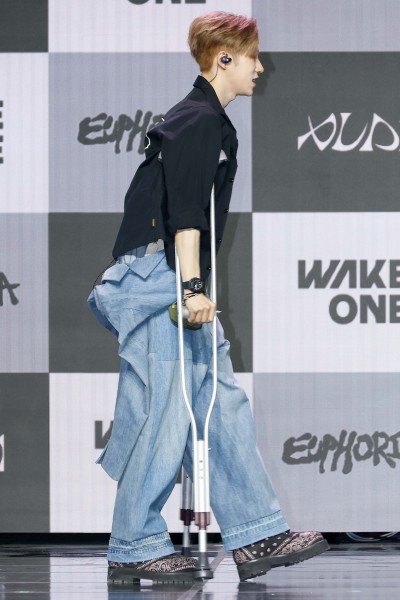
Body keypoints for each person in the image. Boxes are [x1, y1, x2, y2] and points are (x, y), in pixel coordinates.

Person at [88, 11, 329, 585]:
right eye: (251, 58)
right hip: (161, 279)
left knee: (223, 407)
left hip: (176, 276)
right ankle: (133, 545)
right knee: (165, 412)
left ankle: (256, 532)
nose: (260, 68)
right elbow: (187, 215)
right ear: (224, 59)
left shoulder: (209, 122)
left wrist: (194, 285)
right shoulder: (196, 120)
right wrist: (193, 289)